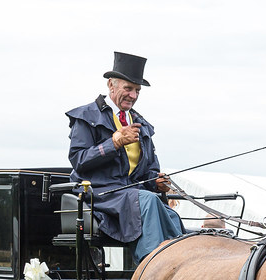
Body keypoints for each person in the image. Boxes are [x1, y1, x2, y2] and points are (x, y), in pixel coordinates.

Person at [66, 52, 183, 264]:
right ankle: (149, 269)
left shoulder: (142, 125)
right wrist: (115, 142)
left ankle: (176, 267)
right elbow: (78, 160)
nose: (133, 95)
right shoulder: (86, 117)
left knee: (171, 215)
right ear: (111, 85)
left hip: (131, 193)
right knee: (147, 201)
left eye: (137, 90)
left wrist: (157, 182)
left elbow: (149, 170)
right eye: (128, 89)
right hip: (100, 192)